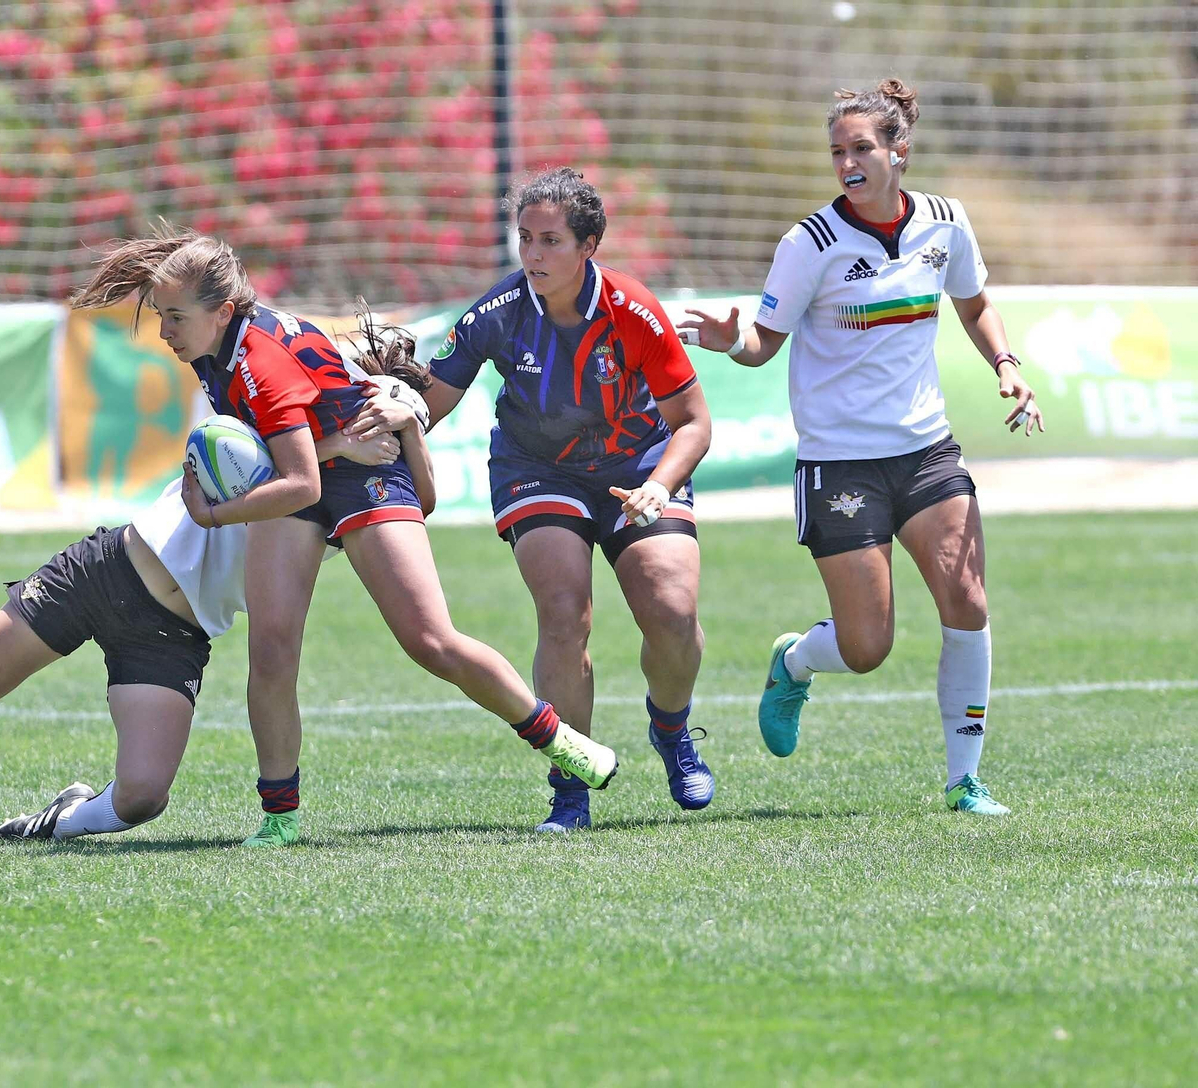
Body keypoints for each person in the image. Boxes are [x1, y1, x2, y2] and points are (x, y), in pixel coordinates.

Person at [70, 226, 620, 846]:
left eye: (172, 317)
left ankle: (559, 739)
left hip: (364, 476)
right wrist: (336, 441)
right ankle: (279, 821)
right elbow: (306, 454)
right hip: (322, 465)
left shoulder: (256, 361)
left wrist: (214, 515)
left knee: (430, 641)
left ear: (222, 311)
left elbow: (304, 483)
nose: (164, 331)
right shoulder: (211, 346)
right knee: (272, 651)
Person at [0, 410, 409, 848]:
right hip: (106, 572)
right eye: (371, 415)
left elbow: (408, 501)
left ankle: (55, 820)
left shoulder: (366, 509)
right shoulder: (285, 426)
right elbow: (236, 453)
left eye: (393, 427)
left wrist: (400, 435)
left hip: (171, 635)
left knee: (142, 800)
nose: (377, 430)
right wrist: (337, 439)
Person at [677, 79, 1044, 816]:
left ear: (898, 151)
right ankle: (795, 660)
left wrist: (1006, 365)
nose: (847, 161)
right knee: (868, 646)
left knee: (967, 600)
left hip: (927, 452)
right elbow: (765, 342)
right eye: (837, 150)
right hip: (839, 462)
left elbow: (974, 303)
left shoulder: (946, 223)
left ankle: (964, 779)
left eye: (861, 148)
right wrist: (731, 341)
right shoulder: (808, 243)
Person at [351, 167, 714, 832]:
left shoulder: (634, 311)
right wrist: (384, 407)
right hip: (535, 469)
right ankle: (570, 786)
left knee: (671, 610)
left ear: (589, 245)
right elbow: (429, 406)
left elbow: (693, 422)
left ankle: (671, 729)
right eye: (525, 239)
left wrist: (659, 486)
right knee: (563, 610)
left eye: (550, 240)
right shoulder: (497, 313)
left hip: (638, 466)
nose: (534, 255)